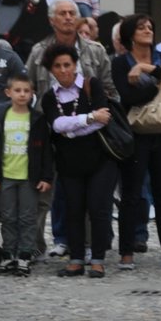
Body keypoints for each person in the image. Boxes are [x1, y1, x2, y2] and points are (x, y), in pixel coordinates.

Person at [110, 13, 161, 271]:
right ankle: (126, 251)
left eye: (150, 26)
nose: (148, 30)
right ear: (130, 34)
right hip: (135, 134)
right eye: (141, 27)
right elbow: (129, 97)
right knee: (131, 194)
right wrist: (160, 80)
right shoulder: (120, 63)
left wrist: (145, 70)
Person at [40, 44, 117, 279]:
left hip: (100, 159)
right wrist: (89, 118)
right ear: (51, 70)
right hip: (69, 162)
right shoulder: (49, 97)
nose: (63, 70)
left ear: (75, 65)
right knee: (73, 209)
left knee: (98, 209)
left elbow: (103, 119)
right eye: (58, 66)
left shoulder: (91, 85)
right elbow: (56, 125)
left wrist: (72, 129)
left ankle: (97, 259)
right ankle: (75, 259)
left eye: (67, 65)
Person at [0, 73, 51, 275]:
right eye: (17, 90)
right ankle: (9, 254)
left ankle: (25, 255)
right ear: (8, 92)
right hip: (6, 178)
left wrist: (46, 177)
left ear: (32, 94)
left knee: (28, 218)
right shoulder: (1, 118)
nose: (22, 95)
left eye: (26, 91)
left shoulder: (37, 120)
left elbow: (46, 150)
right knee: (8, 217)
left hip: (29, 178)